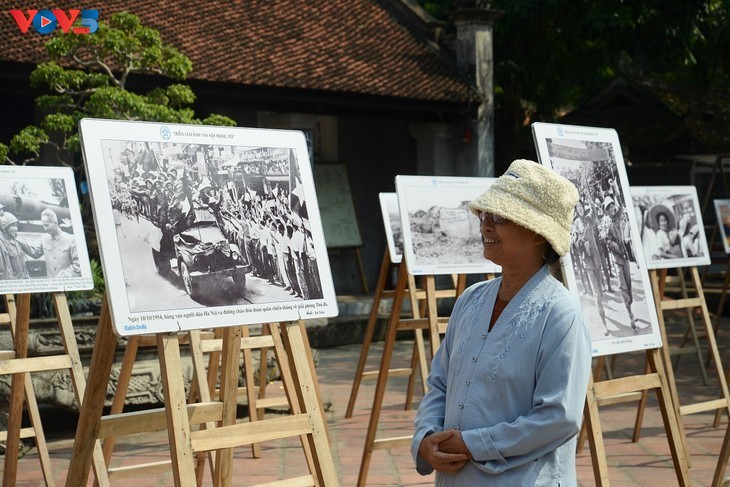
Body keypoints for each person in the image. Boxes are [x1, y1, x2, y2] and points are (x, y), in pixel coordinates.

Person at [412, 159, 592, 486]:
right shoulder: (471, 300)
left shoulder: (559, 314)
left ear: (538, 234)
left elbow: (559, 416)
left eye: (500, 217)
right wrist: (426, 439)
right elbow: (439, 384)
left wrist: (473, 444)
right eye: (484, 215)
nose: (485, 225)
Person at [603, 197, 638, 329]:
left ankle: (631, 309)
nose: (612, 208)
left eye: (612, 205)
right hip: (617, 260)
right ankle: (630, 315)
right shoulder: (605, 222)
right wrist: (615, 246)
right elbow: (605, 239)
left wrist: (614, 189)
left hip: (625, 258)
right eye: (609, 207)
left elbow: (621, 208)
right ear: (606, 210)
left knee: (629, 287)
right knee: (623, 287)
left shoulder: (618, 217)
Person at [40, 208, 81, 278]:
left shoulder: (71, 239)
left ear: (55, 223)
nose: (44, 228)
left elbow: (78, 266)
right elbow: (35, 252)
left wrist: (60, 277)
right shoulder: (43, 239)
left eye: (47, 225)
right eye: (43, 225)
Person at [0, 213, 43, 279]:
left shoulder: (17, 242)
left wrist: (44, 240)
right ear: (4, 228)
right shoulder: (2, 245)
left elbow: (35, 253)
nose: (16, 228)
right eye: (12, 226)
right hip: (12, 285)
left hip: (24, 282)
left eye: (16, 226)